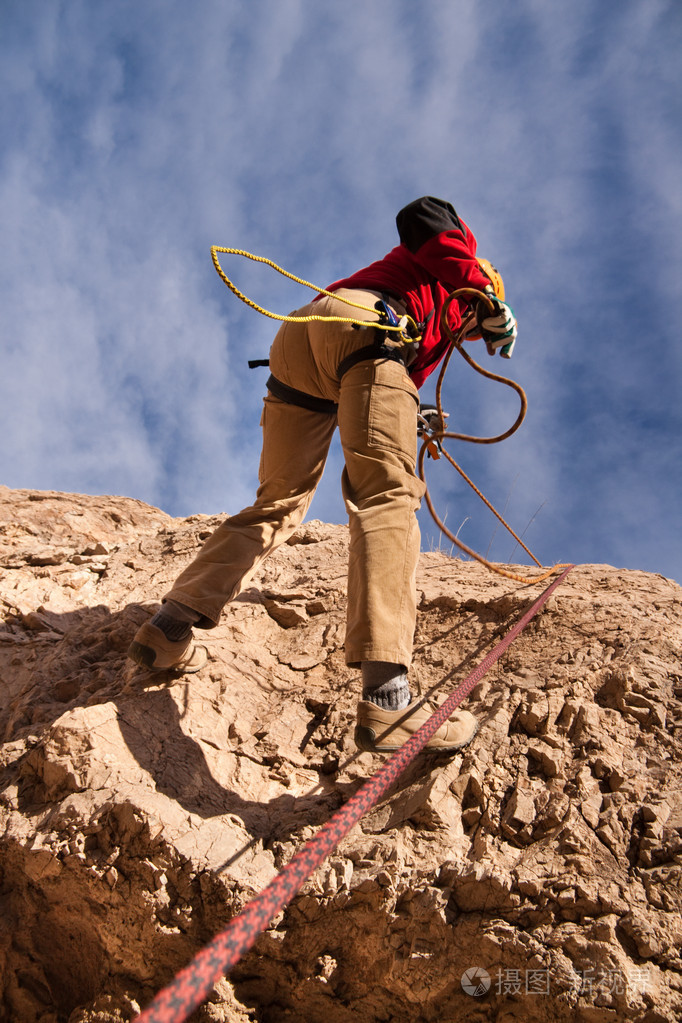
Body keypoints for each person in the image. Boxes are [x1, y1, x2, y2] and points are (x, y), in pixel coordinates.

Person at [127, 196, 517, 754]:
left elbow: (381, 378)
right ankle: (388, 700)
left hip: (307, 342)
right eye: (478, 320)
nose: (474, 331)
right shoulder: (459, 266)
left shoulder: (437, 322)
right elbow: (422, 214)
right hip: (366, 328)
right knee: (387, 496)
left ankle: (168, 628)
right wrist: (484, 289)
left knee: (279, 502)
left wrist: (414, 413)